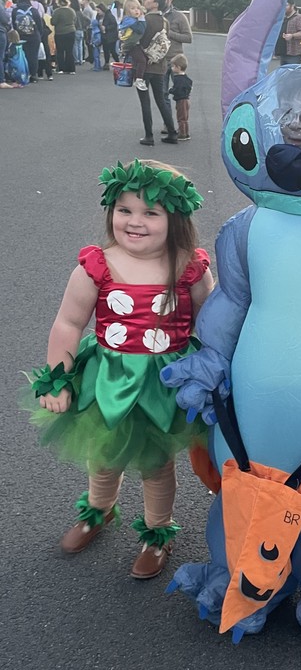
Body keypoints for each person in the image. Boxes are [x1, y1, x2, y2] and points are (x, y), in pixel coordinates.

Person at [25, 159, 214, 579]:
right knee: (104, 453)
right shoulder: (97, 265)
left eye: (151, 213)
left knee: (156, 463)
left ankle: (157, 532)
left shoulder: (189, 267)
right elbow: (69, 323)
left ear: (175, 218)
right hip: (108, 379)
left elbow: (213, 323)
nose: (135, 222)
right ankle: (98, 510)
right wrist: (57, 380)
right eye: (124, 210)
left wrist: (212, 373)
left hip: (164, 385)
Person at [137, 0, 178, 145]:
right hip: (160, 66)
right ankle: (172, 132)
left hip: (144, 66)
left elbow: (137, 41)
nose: (145, 0)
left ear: (155, 4)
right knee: (161, 99)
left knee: (145, 101)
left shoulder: (144, 21)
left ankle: (149, 136)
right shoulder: (165, 22)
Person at [156, 0, 192, 121]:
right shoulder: (154, 16)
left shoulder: (179, 16)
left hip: (176, 61)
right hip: (160, 61)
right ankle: (168, 123)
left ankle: (182, 123)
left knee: (180, 95)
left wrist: (169, 33)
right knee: (163, 94)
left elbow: (188, 38)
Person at [12, 0, 43, 83]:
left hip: (21, 37)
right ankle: (33, 75)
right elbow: (39, 24)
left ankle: (23, 74)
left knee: (22, 56)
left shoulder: (15, 11)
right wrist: (39, 35)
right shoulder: (33, 10)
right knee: (33, 56)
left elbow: (13, 24)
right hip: (34, 37)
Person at [119, 0, 147, 90]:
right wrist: (142, 18)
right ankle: (139, 79)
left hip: (133, 44)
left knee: (140, 60)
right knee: (142, 61)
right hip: (132, 45)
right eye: (133, 8)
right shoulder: (129, 20)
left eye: (138, 8)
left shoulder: (132, 20)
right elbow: (141, 29)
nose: (136, 10)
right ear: (127, 11)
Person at [276, 0, 301, 66]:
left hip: (294, 54)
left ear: (292, 5)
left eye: (286, 5)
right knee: (284, 75)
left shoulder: (299, 18)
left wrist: (292, 35)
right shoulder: (283, 19)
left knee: (293, 75)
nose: (284, 8)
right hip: (283, 53)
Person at [50, 0, 78, 75]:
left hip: (60, 32)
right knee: (69, 51)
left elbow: (53, 22)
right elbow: (74, 20)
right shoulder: (72, 11)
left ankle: (61, 68)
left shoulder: (57, 11)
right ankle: (71, 69)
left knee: (60, 51)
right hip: (71, 31)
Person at [168, 53, 193, 140]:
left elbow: (177, 90)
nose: (172, 68)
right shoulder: (187, 79)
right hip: (187, 99)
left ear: (178, 67)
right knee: (185, 117)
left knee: (181, 117)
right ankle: (186, 132)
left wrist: (171, 90)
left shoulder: (178, 79)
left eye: (173, 66)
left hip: (181, 100)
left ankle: (182, 133)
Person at [98, 3, 120, 69]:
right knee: (106, 51)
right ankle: (106, 63)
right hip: (105, 36)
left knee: (112, 51)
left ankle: (118, 62)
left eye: (98, 10)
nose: (98, 12)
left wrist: (106, 27)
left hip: (111, 36)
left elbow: (114, 25)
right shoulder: (102, 16)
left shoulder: (110, 16)